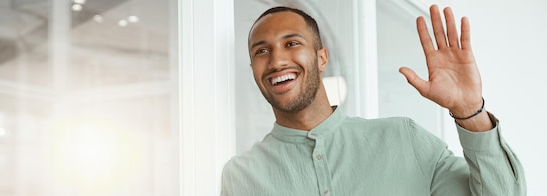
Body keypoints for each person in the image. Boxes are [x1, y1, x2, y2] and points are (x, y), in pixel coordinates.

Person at [221, 5, 526, 196]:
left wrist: (470, 111)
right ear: (253, 70)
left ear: (322, 57)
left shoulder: (404, 140)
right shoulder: (241, 177)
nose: (276, 60)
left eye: (292, 43)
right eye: (261, 51)